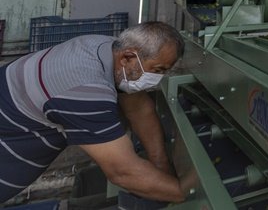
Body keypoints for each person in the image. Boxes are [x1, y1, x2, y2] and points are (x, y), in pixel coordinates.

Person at [1, 22, 186, 203]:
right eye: (157, 70)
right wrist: (190, 194)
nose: (156, 79)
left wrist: (160, 163)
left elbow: (139, 108)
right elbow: (123, 172)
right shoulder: (85, 90)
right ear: (128, 57)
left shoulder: (108, 48)